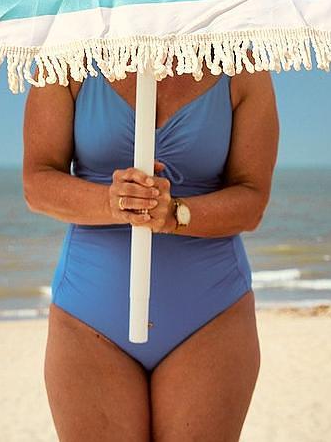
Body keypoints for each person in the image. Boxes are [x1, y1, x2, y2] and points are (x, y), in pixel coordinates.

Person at [22, 66, 280, 442]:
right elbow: (37, 182)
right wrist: (112, 203)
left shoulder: (242, 67)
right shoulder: (67, 60)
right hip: (88, 317)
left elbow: (252, 199)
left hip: (210, 315)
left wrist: (175, 213)